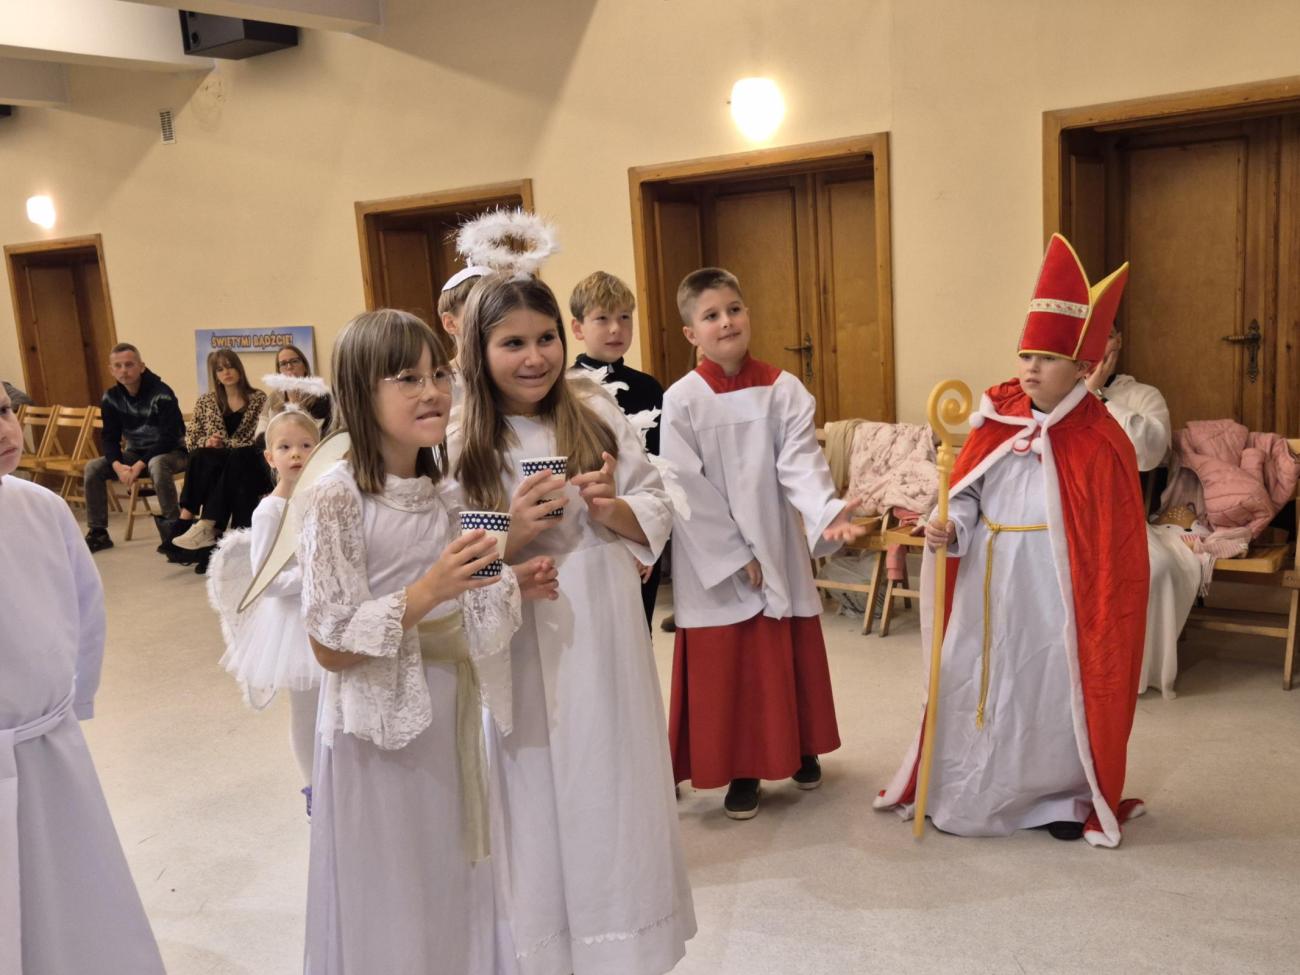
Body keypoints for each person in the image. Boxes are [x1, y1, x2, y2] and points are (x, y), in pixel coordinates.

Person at [298, 308, 557, 974]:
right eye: (407, 379)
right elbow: (329, 643)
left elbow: (469, 593)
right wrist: (430, 589)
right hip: (379, 730)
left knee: (453, 869)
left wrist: (508, 580)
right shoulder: (335, 498)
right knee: (396, 882)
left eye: (438, 374)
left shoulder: (449, 491)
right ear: (360, 391)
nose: (433, 392)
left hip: (452, 710)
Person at [453, 273, 696, 974]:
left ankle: (622, 939)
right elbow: (453, 553)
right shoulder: (464, 434)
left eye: (547, 338)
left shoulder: (592, 407)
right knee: (538, 776)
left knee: (611, 768)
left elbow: (654, 502)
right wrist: (512, 532)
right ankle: (549, 945)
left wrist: (613, 505)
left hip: (604, 619)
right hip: (527, 622)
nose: (535, 357)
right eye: (513, 343)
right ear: (478, 349)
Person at [874, 234, 1149, 847]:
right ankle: (967, 788)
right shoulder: (996, 419)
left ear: (1083, 367)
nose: (1030, 368)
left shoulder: (1102, 439)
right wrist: (951, 524)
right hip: (988, 583)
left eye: (1046, 357)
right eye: (1026, 354)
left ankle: (1055, 795)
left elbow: (1112, 547)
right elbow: (965, 494)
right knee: (978, 679)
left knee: (1048, 688)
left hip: (1056, 595)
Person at [660, 268, 864, 820]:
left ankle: (801, 745)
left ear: (748, 314)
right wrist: (734, 553)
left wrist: (826, 512)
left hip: (775, 536)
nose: (726, 322)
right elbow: (684, 486)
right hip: (716, 552)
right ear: (691, 333)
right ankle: (741, 769)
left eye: (734, 309)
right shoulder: (682, 400)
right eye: (711, 315)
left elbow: (800, 462)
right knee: (733, 660)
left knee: (785, 646)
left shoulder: (784, 389)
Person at [0, 384, 166, 973]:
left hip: (48, 735)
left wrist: (76, 697)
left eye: (3, 411)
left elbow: (84, 603)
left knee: (71, 891)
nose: (4, 429)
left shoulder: (40, 507)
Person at [207, 404, 325, 817]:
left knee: (338, 706)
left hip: (331, 614)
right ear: (270, 457)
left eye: (306, 445)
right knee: (308, 711)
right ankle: (314, 787)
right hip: (296, 623)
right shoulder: (269, 511)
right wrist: (318, 576)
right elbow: (268, 582)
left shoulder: (324, 500)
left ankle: (342, 778)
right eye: (285, 447)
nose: (296, 454)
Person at [1086, 323, 1200, 700]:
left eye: (1105, 334)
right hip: (1060, 513)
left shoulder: (1143, 396)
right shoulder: (1055, 392)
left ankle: (1130, 671)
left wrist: (1096, 397)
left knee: (1156, 570)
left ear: (1118, 342)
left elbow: (1147, 455)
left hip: (1119, 517)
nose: (1096, 344)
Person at [570, 270, 667, 627]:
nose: (616, 329)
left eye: (625, 317)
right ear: (578, 328)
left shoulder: (649, 388)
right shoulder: (569, 389)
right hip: (592, 530)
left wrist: (648, 539)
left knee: (640, 630)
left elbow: (661, 465)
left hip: (642, 522)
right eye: (602, 319)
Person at [83, 343, 187, 553]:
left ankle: (175, 531)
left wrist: (139, 465)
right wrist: (117, 465)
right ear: (111, 370)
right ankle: (98, 532)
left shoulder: (162, 393)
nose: (124, 370)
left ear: (141, 366)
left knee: (157, 463)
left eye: (129, 365)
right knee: (93, 467)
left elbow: (169, 438)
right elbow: (109, 437)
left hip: (172, 453)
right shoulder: (111, 397)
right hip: (135, 454)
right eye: (118, 366)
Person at [170, 350, 270, 562]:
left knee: (234, 459)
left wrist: (226, 444)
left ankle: (199, 525)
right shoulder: (206, 401)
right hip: (219, 464)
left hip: (249, 462)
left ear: (239, 368)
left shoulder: (258, 398)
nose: (226, 372)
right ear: (215, 375)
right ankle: (198, 527)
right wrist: (208, 441)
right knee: (200, 455)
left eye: (230, 366)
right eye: (220, 369)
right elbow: (191, 438)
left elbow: (259, 440)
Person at [268, 343, 332, 430]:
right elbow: (267, 430)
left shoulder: (321, 396)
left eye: (294, 361)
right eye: (283, 363)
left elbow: (313, 432)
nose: (289, 367)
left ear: (305, 367)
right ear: (279, 371)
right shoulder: (274, 397)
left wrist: (294, 403)